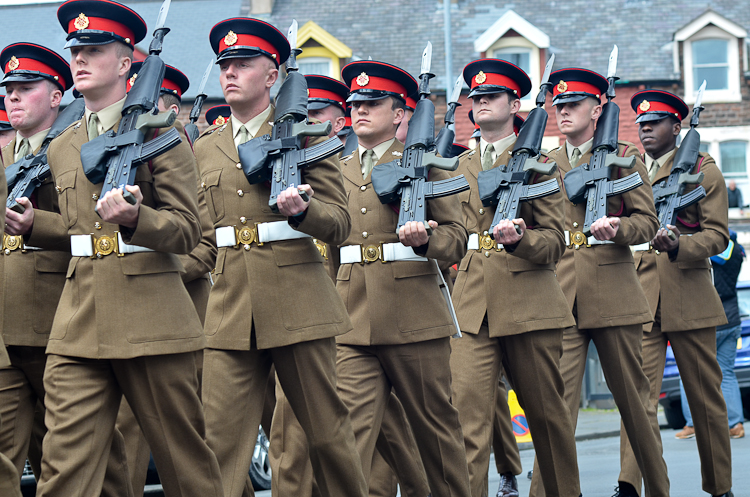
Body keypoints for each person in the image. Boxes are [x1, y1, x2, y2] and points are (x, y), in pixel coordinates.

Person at [36, 2, 224, 496]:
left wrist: (137, 219)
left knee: (186, 466)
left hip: (152, 321)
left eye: (94, 50)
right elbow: (80, 232)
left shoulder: (161, 134)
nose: (79, 59)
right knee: (64, 469)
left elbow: (189, 231)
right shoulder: (61, 145)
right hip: (79, 320)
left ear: (125, 64)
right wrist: (34, 225)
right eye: (75, 50)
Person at [196, 17, 367, 497]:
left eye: (243, 64)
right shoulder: (205, 147)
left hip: (298, 300)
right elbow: (201, 231)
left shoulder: (307, 136)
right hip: (230, 306)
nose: (229, 73)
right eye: (225, 65)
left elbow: (340, 223)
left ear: (272, 75)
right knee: (219, 442)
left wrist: (305, 211)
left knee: (328, 437)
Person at [528, 68, 670, 497]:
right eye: (559, 106)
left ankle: (656, 490)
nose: (563, 112)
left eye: (572, 106)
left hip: (614, 293)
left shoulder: (625, 155)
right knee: (554, 413)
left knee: (635, 408)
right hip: (561, 295)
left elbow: (648, 223)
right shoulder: (543, 161)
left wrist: (619, 230)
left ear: (597, 110)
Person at [333, 59, 471, 497]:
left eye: (374, 103)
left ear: (399, 114)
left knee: (436, 437)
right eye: (355, 103)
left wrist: (426, 241)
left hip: (414, 315)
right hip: (352, 319)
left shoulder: (425, 164)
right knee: (346, 439)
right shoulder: (337, 169)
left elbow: (458, 238)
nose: (360, 110)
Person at [448, 58, 580, 497]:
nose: (481, 102)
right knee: (465, 420)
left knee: (547, 419)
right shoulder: (457, 165)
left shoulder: (540, 164)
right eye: (476, 97)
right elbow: (451, 235)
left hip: (529, 303)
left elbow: (555, 241)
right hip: (471, 305)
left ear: (514, 103)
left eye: (491, 96)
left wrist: (521, 239)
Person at [99, 61, 219, 497]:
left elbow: (203, 242)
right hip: (128, 310)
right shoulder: (113, 149)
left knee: (194, 440)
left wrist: (163, 267)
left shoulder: (180, 153)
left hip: (185, 310)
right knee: (127, 434)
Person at [614, 89, 733, 497]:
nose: (645, 129)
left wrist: (680, 244)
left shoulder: (704, 170)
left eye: (655, 123)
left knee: (704, 401)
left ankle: (719, 488)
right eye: (641, 124)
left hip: (688, 294)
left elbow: (718, 237)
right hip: (638, 295)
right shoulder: (625, 168)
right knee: (636, 400)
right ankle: (630, 485)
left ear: (676, 126)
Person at [0, 41, 73, 486]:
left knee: (65, 461)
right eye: (9, 88)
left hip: (56, 329)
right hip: (5, 331)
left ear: (56, 95)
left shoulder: (76, 152)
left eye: (26, 88)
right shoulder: (4, 155)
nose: (12, 96)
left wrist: (37, 224)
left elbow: (95, 230)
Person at [679, 229, 745, 440]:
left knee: (688, 370)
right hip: (733, 319)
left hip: (709, 316)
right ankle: (735, 424)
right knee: (726, 372)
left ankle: (692, 423)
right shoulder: (737, 252)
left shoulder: (709, 250)